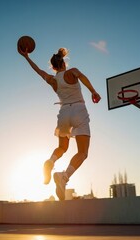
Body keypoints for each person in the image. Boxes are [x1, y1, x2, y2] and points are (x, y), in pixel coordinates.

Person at [18, 46, 101, 201]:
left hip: (63, 113)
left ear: (54, 67)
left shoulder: (52, 80)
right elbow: (83, 77)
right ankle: (64, 177)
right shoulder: (72, 72)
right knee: (82, 153)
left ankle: (50, 162)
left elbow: (38, 71)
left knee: (62, 147)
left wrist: (27, 57)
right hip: (79, 110)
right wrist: (93, 91)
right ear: (63, 64)